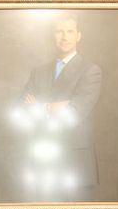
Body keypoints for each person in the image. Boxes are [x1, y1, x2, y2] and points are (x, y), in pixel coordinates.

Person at [17, 15, 103, 197]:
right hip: (40, 159)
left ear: (78, 36)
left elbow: (75, 113)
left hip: (75, 161)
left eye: (70, 31)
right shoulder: (38, 71)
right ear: (52, 35)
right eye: (59, 31)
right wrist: (53, 107)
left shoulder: (90, 70)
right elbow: (22, 109)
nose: (64, 37)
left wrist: (40, 107)